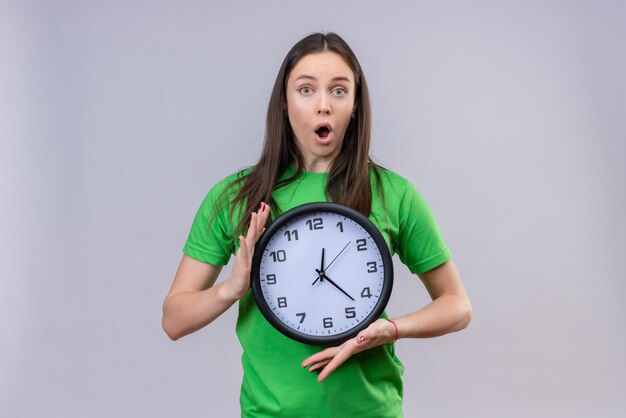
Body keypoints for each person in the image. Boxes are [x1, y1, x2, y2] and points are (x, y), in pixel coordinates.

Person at [162, 32, 472, 417]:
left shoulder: (395, 194)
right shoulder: (234, 196)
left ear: (355, 104)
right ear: (284, 103)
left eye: (339, 91)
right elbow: (174, 320)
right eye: (306, 89)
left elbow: (457, 306)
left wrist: (391, 330)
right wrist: (231, 289)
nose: (323, 105)